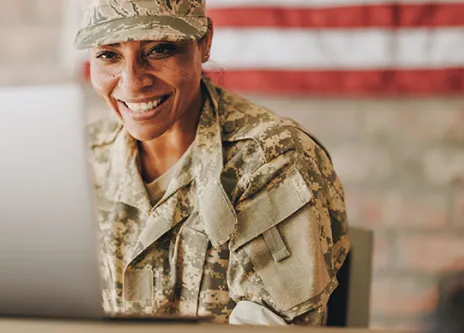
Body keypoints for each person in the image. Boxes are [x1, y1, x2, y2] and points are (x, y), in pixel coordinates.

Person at [74, 0, 350, 326]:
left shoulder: (271, 161)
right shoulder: (80, 157)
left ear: (204, 42)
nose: (132, 83)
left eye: (160, 49)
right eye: (109, 55)